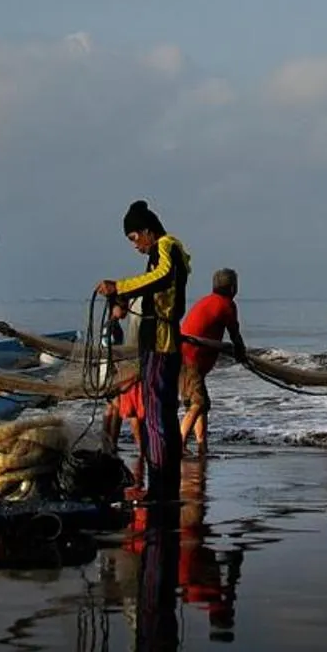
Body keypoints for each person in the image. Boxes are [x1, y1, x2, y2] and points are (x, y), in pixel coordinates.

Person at [98, 199, 191, 500]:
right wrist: (125, 297)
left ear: (147, 231)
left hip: (161, 342)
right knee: (160, 413)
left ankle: (163, 485)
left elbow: (162, 276)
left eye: (135, 238)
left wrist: (121, 287)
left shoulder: (165, 247)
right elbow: (156, 285)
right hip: (159, 340)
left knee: (157, 415)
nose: (135, 245)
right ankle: (164, 484)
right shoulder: (160, 251)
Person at [179, 267, 249, 457]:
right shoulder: (226, 305)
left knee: (201, 404)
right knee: (198, 403)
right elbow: (235, 333)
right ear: (233, 288)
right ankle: (179, 443)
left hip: (184, 358)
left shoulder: (207, 301)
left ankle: (202, 447)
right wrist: (241, 353)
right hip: (191, 359)